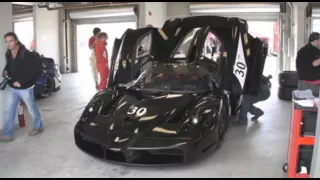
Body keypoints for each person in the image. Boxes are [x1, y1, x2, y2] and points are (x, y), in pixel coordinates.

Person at [0, 32, 44, 141]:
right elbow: (9, 66)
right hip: (12, 87)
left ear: (16, 41)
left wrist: (21, 81)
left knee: (31, 108)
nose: (8, 44)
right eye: (6, 42)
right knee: (8, 110)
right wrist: (5, 71)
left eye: (10, 41)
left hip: (25, 87)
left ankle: (38, 127)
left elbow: (35, 71)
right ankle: (7, 133)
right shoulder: (8, 54)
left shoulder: (25, 54)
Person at [296, 32, 320, 97]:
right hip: (314, 82)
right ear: (316, 41)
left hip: (302, 82)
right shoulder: (317, 52)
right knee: (313, 103)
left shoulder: (301, 50)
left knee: (302, 102)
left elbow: (298, 65)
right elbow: (315, 64)